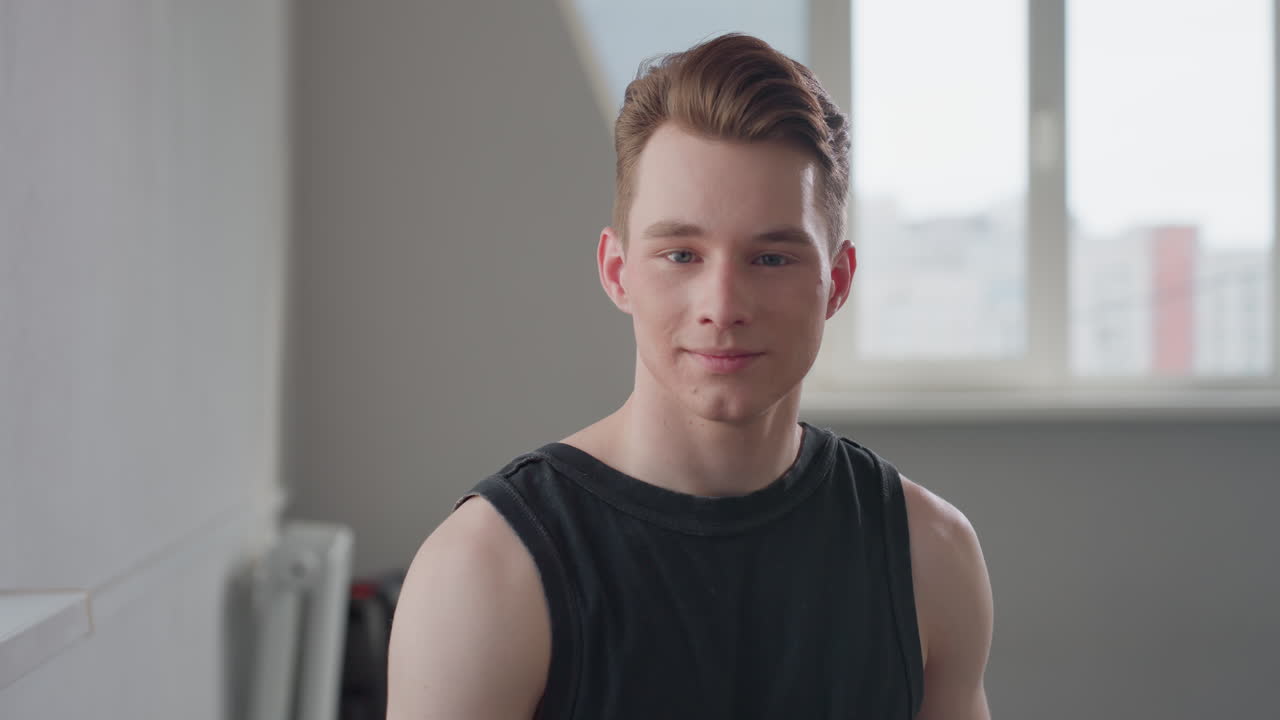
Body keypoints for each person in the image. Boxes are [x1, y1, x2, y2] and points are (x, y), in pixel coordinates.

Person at [387, 32, 993, 720]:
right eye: (681, 254)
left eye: (771, 259)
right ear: (618, 273)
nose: (723, 308)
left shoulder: (930, 557)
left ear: (838, 281)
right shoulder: (484, 573)